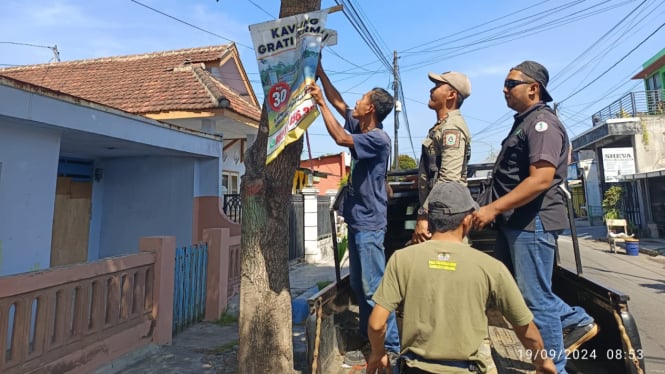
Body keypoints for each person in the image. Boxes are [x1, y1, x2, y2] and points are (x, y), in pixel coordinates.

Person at [472, 60, 598, 373]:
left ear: (533, 88)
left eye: (510, 83)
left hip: (532, 222)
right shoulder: (524, 122)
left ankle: (555, 365)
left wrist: (493, 208)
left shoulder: (542, 123)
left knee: (535, 299)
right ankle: (576, 320)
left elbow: (540, 179)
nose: (504, 89)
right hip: (514, 222)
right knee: (515, 293)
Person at [367, 181, 556, 374]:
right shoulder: (491, 267)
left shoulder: (401, 259)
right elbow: (526, 330)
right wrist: (543, 362)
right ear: (466, 221)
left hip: (414, 368)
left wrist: (378, 353)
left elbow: (376, 323)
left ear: (430, 218)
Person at [308, 61, 400, 366]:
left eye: (362, 99)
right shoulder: (362, 125)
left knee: (374, 290)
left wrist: (319, 102)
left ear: (371, 108)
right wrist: (319, 70)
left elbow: (339, 138)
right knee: (361, 287)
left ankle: (391, 347)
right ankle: (370, 343)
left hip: (371, 224)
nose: (356, 103)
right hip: (360, 222)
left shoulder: (377, 138)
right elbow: (339, 102)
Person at [412, 71, 472, 244]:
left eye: (438, 86)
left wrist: (423, 215)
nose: (432, 90)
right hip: (440, 213)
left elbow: (449, 178)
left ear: (452, 94)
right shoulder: (442, 126)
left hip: (447, 217)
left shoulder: (451, 128)